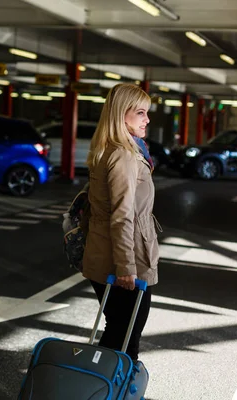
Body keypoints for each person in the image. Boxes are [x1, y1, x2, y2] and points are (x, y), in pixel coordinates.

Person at [82, 83, 160, 362]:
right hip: (125, 260)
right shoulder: (124, 155)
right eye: (140, 112)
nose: (147, 119)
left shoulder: (110, 149)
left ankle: (100, 387)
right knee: (128, 338)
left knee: (117, 330)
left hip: (104, 252)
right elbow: (122, 215)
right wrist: (127, 267)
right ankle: (113, 389)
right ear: (120, 114)